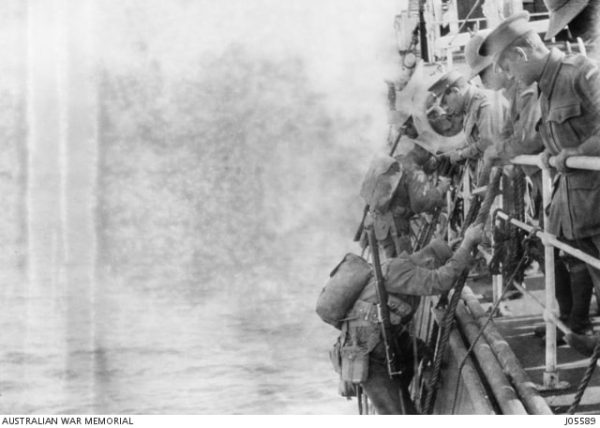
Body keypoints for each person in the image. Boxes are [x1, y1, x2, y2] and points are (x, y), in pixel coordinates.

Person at [480, 11, 600, 352]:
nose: (507, 76)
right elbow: (550, 138)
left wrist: (576, 151)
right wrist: (551, 154)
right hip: (577, 214)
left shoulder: (582, 73)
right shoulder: (545, 88)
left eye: (507, 67)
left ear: (520, 54)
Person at [342, 223, 484, 414]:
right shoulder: (402, 271)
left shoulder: (402, 265)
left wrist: (451, 249)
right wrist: (467, 243)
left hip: (380, 339)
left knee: (418, 349)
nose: (428, 273)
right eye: (433, 267)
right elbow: (440, 281)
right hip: (369, 354)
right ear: (428, 262)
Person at [360, 147, 450, 258]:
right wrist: (440, 189)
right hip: (395, 227)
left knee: (390, 265)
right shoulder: (416, 171)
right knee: (403, 266)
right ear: (425, 153)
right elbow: (420, 204)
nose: (432, 161)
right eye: (431, 156)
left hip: (379, 224)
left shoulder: (399, 160)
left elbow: (403, 191)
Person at [427, 70, 509, 168]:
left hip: (505, 171)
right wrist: (446, 156)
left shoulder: (485, 105)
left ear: (455, 91)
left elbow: (488, 143)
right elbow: (473, 141)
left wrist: (461, 155)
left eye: (445, 102)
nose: (445, 108)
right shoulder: (470, 105)